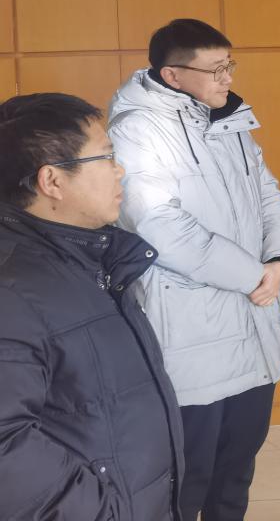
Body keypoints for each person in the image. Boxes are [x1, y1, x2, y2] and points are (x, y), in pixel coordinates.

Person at [108, 18, 280, 521]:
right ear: (172, 75)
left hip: (253, 321)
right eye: (215, 69)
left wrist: (279, 261)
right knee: (188, 478)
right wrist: (253, 275)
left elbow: (269, 195)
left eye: (229, 65)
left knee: (236, 471)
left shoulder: (231, 121)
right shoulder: (137, 129)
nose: (227, 78)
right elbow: (158, 224)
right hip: (193, 332)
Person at [0, 93, 184, 520]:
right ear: (52, 181)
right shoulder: (14, 289)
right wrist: (106, 511)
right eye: (106, 156)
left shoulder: (91, 259)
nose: (120, 170)